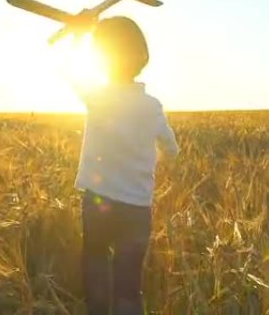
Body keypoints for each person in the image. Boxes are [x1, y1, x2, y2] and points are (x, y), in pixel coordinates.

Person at [69, 16, 179, 315]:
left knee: (95, 261)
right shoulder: (152, 106)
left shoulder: (97, 98)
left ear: (101, 60)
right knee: (129, 286)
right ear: (142, 58)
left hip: (97, 200)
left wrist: (79, 33)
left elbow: (72, 71)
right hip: (137, 207)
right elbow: (172, 149)